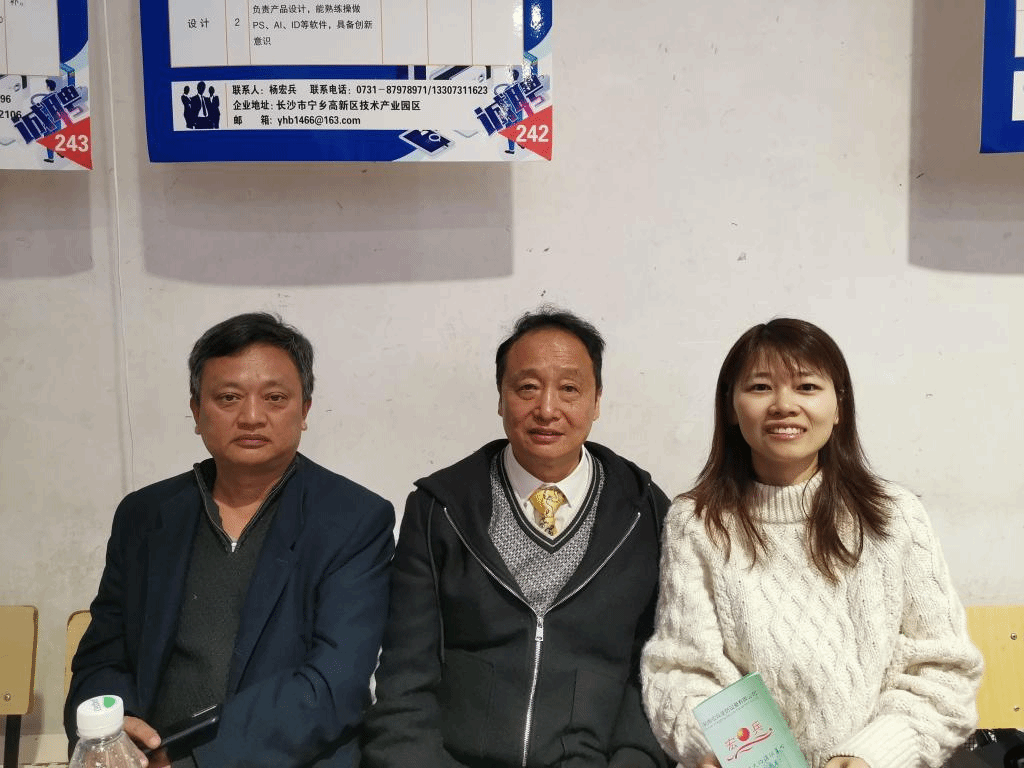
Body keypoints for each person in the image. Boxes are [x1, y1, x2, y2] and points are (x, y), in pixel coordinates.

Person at [641, 318, 982, 768]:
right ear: (731, 407)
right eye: (760, 387)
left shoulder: (894, 516)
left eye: (806, 387)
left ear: (839, 406)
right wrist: (719, 748)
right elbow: (683, 671)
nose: (784, 405)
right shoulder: (698, 522)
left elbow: (943, 670)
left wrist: (871, 755)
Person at [65, 312, 395, 768]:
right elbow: (103, 657)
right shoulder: (144, 516)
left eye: (275, 398)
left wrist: (193, 761)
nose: (252, 417)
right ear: (196, 412)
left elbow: (334, 681)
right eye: (228, 398)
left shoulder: (354, 519)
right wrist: (115, 734)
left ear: (304, 411)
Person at [362, 307, 672, 768]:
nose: (547, 409)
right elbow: (405, 679)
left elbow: (655, 669)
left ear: (596, 401)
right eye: (527, 387)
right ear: (501, 398)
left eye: (569, 389)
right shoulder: (440, 508)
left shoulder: (644, 511)